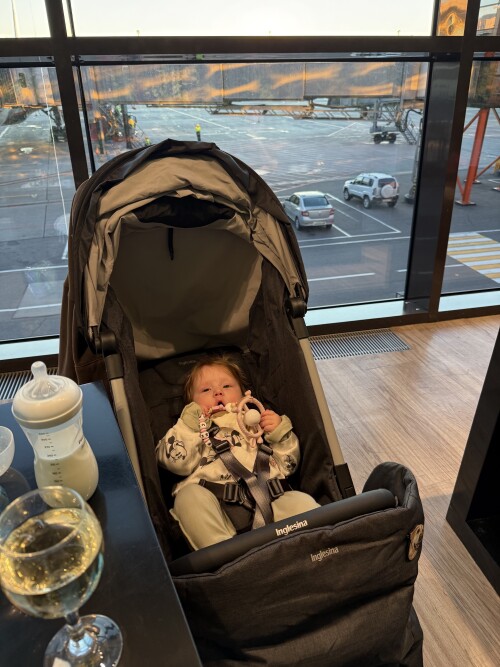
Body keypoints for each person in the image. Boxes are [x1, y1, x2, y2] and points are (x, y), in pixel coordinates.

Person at [156, 355, 319, 550]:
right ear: (190, 403)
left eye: (226, 386)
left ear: (244, 396)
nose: (218, 392)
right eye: (206, 390)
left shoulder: (256, 426)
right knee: (188, 498)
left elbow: (287, 466)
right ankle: (224, 555)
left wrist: (280, 434)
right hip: (214, 503)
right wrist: (188, 426)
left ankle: (314, 547)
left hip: (270, 497)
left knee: (301, 502)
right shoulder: (191, 430)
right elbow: (175, 462)